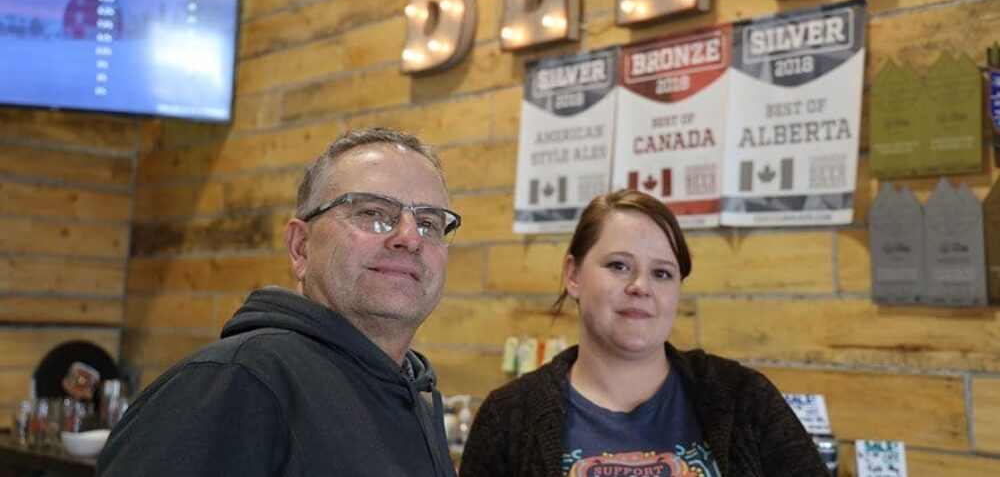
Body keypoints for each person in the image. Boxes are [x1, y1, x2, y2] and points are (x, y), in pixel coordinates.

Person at [98, 127, 461, 476]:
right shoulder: (235, 383)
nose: (410, 238)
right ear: (300, 246)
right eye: (373, 213)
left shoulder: (414, 396)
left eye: (429, 223)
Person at [460, 190, 827, 477]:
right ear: (572, 275)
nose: (641, 286)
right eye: (619, 265)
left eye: (662, 273)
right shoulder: (507, 417)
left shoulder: (746, 399)